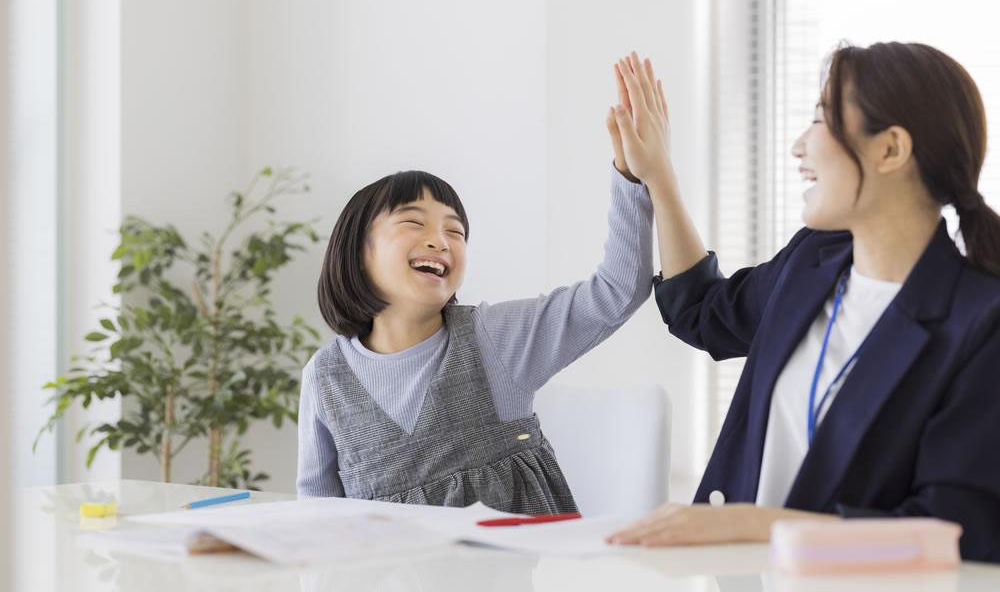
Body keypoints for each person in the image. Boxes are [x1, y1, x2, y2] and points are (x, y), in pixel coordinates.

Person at [605, 45, 1000, 562]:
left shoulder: (980, 321)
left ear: (890, 150)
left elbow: (957, 532)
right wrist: (658, 176)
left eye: (819, 121)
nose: (798, 147)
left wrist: (750, 524)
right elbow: (702, 310)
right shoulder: (815, 262)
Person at [296, 146, 654, 514]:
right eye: (414, 223)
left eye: (455, 230)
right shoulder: (324, 378)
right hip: (378, 570)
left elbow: (618, 291)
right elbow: (316, 516)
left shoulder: (492, 341)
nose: (441, 240)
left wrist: (630, 177)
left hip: (497, 569)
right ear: (357, 251)